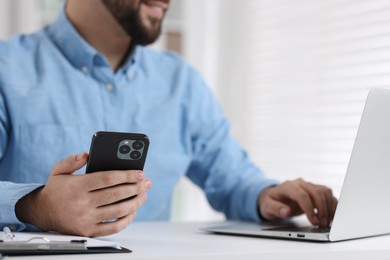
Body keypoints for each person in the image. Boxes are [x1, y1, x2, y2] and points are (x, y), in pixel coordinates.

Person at [0, 0, 337, 237]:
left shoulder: (181, 83)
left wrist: (269, 196)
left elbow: (233, 179)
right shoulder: (6, 69)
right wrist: (35, 206)